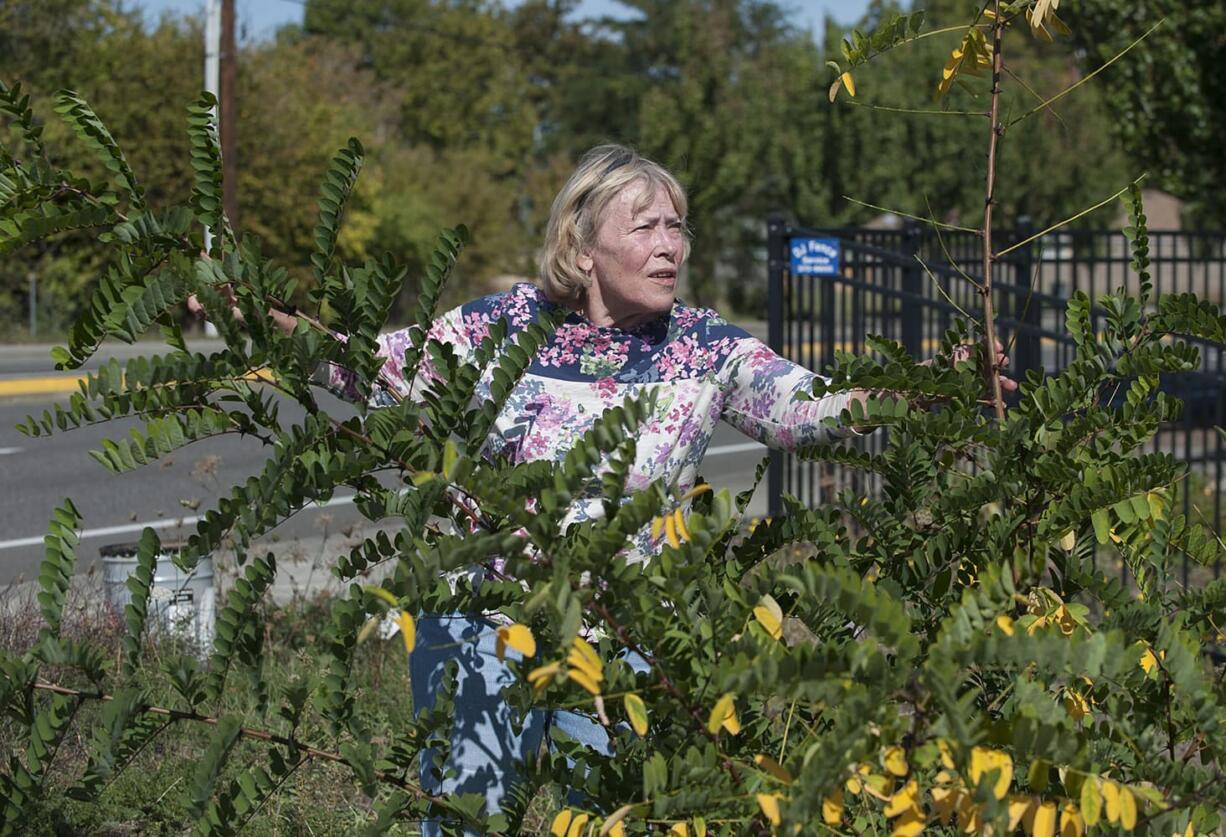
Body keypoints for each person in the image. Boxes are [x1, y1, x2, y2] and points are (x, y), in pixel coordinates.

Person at [193, 144, 1012, 833]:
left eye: (677, 225)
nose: (671, 245)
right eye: (646, 225)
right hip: (481, 619)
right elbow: (370, 367)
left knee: (613, 816)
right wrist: (262, 322)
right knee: (470, 818)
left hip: (623, 631)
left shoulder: (703, 346)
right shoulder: (504, 326)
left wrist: (919, 390)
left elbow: (808, 409)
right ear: (583, 248)